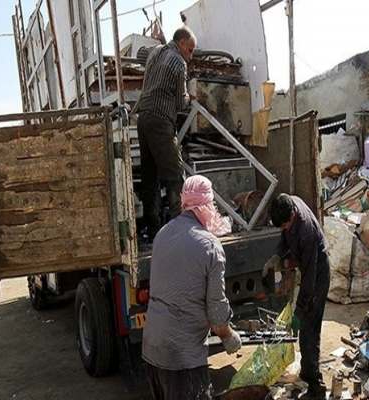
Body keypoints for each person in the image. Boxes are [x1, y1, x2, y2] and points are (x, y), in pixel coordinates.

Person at [141, 175, 241, 400]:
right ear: (208, 205)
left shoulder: (162, 234)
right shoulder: (210, 246)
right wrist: (229, 336)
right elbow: (216, 313)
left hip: (153, 348)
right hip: (182, 358)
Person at [134, 26, 197, 240]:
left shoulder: (156, 52)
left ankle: (154, 233)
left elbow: (140, 53)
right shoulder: (178, 63)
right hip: (161, 121)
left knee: (150, 178)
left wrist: (156, 40)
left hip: (143, 119)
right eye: (190, 50)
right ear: (180, 44)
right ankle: (182, 231)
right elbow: (180, 102)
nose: (191, 56)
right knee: (175, 176)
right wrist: (191, 97)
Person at [270, 193, 330, 399]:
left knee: (308, 330)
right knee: (306, 329)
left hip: (318, 272)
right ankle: (307, 372)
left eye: (285, 225)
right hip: (307, 265)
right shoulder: (286, 202)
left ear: (293, 215)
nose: (284, 229)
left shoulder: (307, 232)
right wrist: (279, 254)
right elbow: (284, 235)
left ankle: (317, 387)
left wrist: (299, 311)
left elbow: (309, 280)